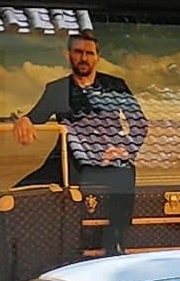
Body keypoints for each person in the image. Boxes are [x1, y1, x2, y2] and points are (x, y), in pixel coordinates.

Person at [25, 31, 148, 255]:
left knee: (123, 176)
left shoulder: (116, 86)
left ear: (97, 57)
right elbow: (35, 117)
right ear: (68, 55)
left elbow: (139, 123)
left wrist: (124, 149)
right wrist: (23, 121)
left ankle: (116, 244)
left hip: (108, 158)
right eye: (78, 52)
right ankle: (31, 251)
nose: (84, 58)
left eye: (89, 53)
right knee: (20, 193)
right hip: (68, 159)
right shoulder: (57, 89)